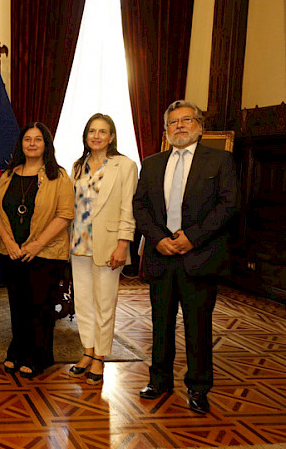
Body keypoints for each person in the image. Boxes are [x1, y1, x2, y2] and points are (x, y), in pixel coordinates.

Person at [133, 100, 238, 414]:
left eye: (186, 120)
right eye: (173, 122)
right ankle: (159, 380)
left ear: (200, 126)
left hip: (200, 257)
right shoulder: (151, 163)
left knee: (198, 327)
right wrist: (159, 239)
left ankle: (198, 387)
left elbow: (228, 206)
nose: (179, 126)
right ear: (166, 130)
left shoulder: (220, 161)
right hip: (161, 256)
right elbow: (140, 207)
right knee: (160, 324)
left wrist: (192, 238)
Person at [0, 122, 74, 378]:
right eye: (27, 139)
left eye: (37, 139)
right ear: (21, 143)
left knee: (40, 307)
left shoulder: (58, 176)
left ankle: (39, 356)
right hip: (12, 252)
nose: (31, 143)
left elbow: (65, 215)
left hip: (45, 253)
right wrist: (8, 241)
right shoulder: (7, 175)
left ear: (46, 145)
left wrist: (37, 245)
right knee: (17, 305)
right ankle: (17, 350)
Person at [68, 114, 138, 385]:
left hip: (109, 247)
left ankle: (100, 357)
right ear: (86, 136)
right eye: (92, 131)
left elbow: (127, 209)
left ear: (111, 137)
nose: (96, 136)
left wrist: (123, 244)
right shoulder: (78, 166)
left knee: (105, 304)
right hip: (78, 245)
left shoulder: (125, 166)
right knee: (83, 303)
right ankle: (87, 351)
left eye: (102, 131)